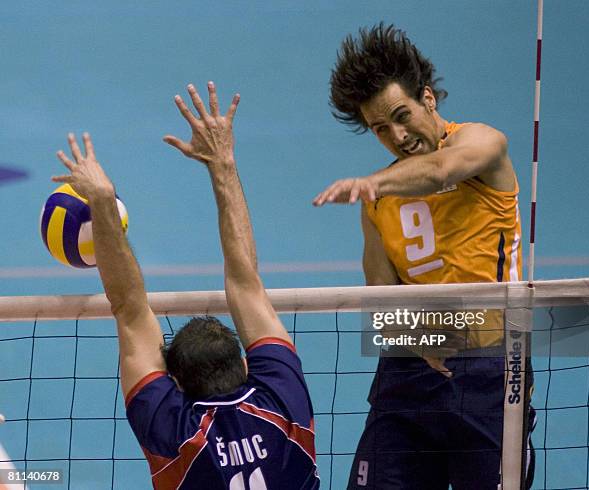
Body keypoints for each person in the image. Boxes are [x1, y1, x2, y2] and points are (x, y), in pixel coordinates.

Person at [52, 82, 319, 489]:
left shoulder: (176, 435)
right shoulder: (284, 405)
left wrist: (102, 202)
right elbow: (246, 283)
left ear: (175, 384)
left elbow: (130, 305)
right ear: (247, 366)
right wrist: (223, 162)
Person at [313, 24, 534, 489]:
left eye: (401, 114)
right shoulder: (378, 204)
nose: (397, 135)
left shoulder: (483, 145)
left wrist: (374, 182)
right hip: (408, 377)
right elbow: (380, 303)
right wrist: (417, 338)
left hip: (489, 373)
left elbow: (441, 169)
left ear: (428, 99)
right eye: (379, 129)